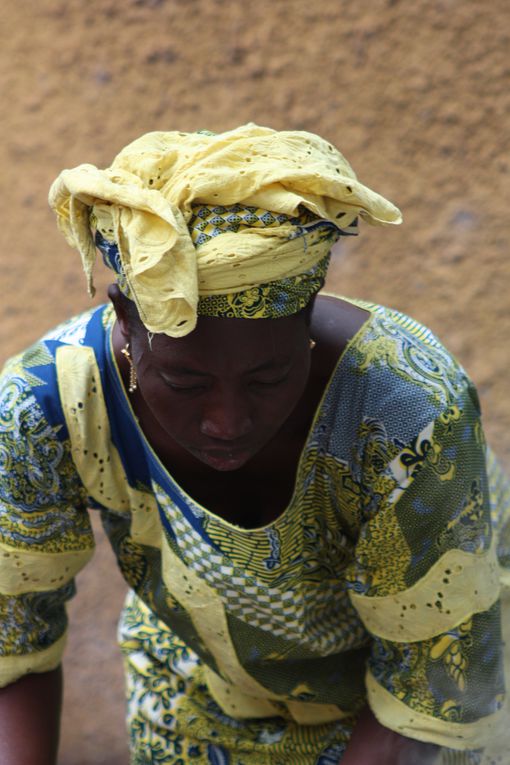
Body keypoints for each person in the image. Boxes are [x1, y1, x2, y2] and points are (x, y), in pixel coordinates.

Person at [0, 124, 508, 765]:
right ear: (126, 322)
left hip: (426, 710)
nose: (227, 421)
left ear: (308, 320)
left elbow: (434, 689)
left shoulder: (406, 410)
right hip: (206, 691)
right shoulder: (47, 406)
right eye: (185, 381)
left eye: (268, 378)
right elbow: (10, 638)